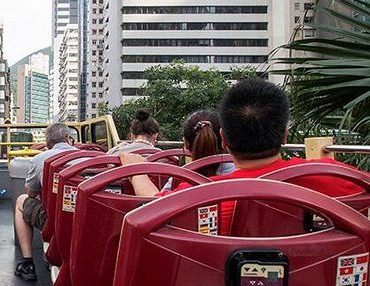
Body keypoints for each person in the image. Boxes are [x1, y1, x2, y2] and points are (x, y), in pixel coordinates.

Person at [121, 77, 363, 235]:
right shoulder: (333, 176)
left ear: (224, 139)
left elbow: (154, 203)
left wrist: (135, 167)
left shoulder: (202, 194)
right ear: (286, 135)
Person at [14, 123, 76, 281]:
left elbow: (31, 194)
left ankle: (28, 263)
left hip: (54, 220)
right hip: (85, 218)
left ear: (48, 144)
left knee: (22, 201)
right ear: (68, 138)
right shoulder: (88, 157)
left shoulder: (39, 159)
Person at [161, 110, 234, 190]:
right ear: (224, 140)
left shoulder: (177, 181)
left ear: (186, 143)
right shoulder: (240, 177)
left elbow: (157, 200)